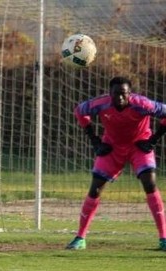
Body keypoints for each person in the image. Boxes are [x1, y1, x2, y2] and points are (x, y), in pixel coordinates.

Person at [66, 76, 166, 250]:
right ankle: (80, 238)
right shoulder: (101, 104)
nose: (120, 98)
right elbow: (79, 111)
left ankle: (164, 238)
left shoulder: (143, 104)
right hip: (112, 147)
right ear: (109, 94)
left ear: (130, 93)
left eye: (123, 94)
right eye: (116, 94)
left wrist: (153, 140)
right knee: (95, 188)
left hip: (138, 145)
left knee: (149, 183)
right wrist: (95, 141)